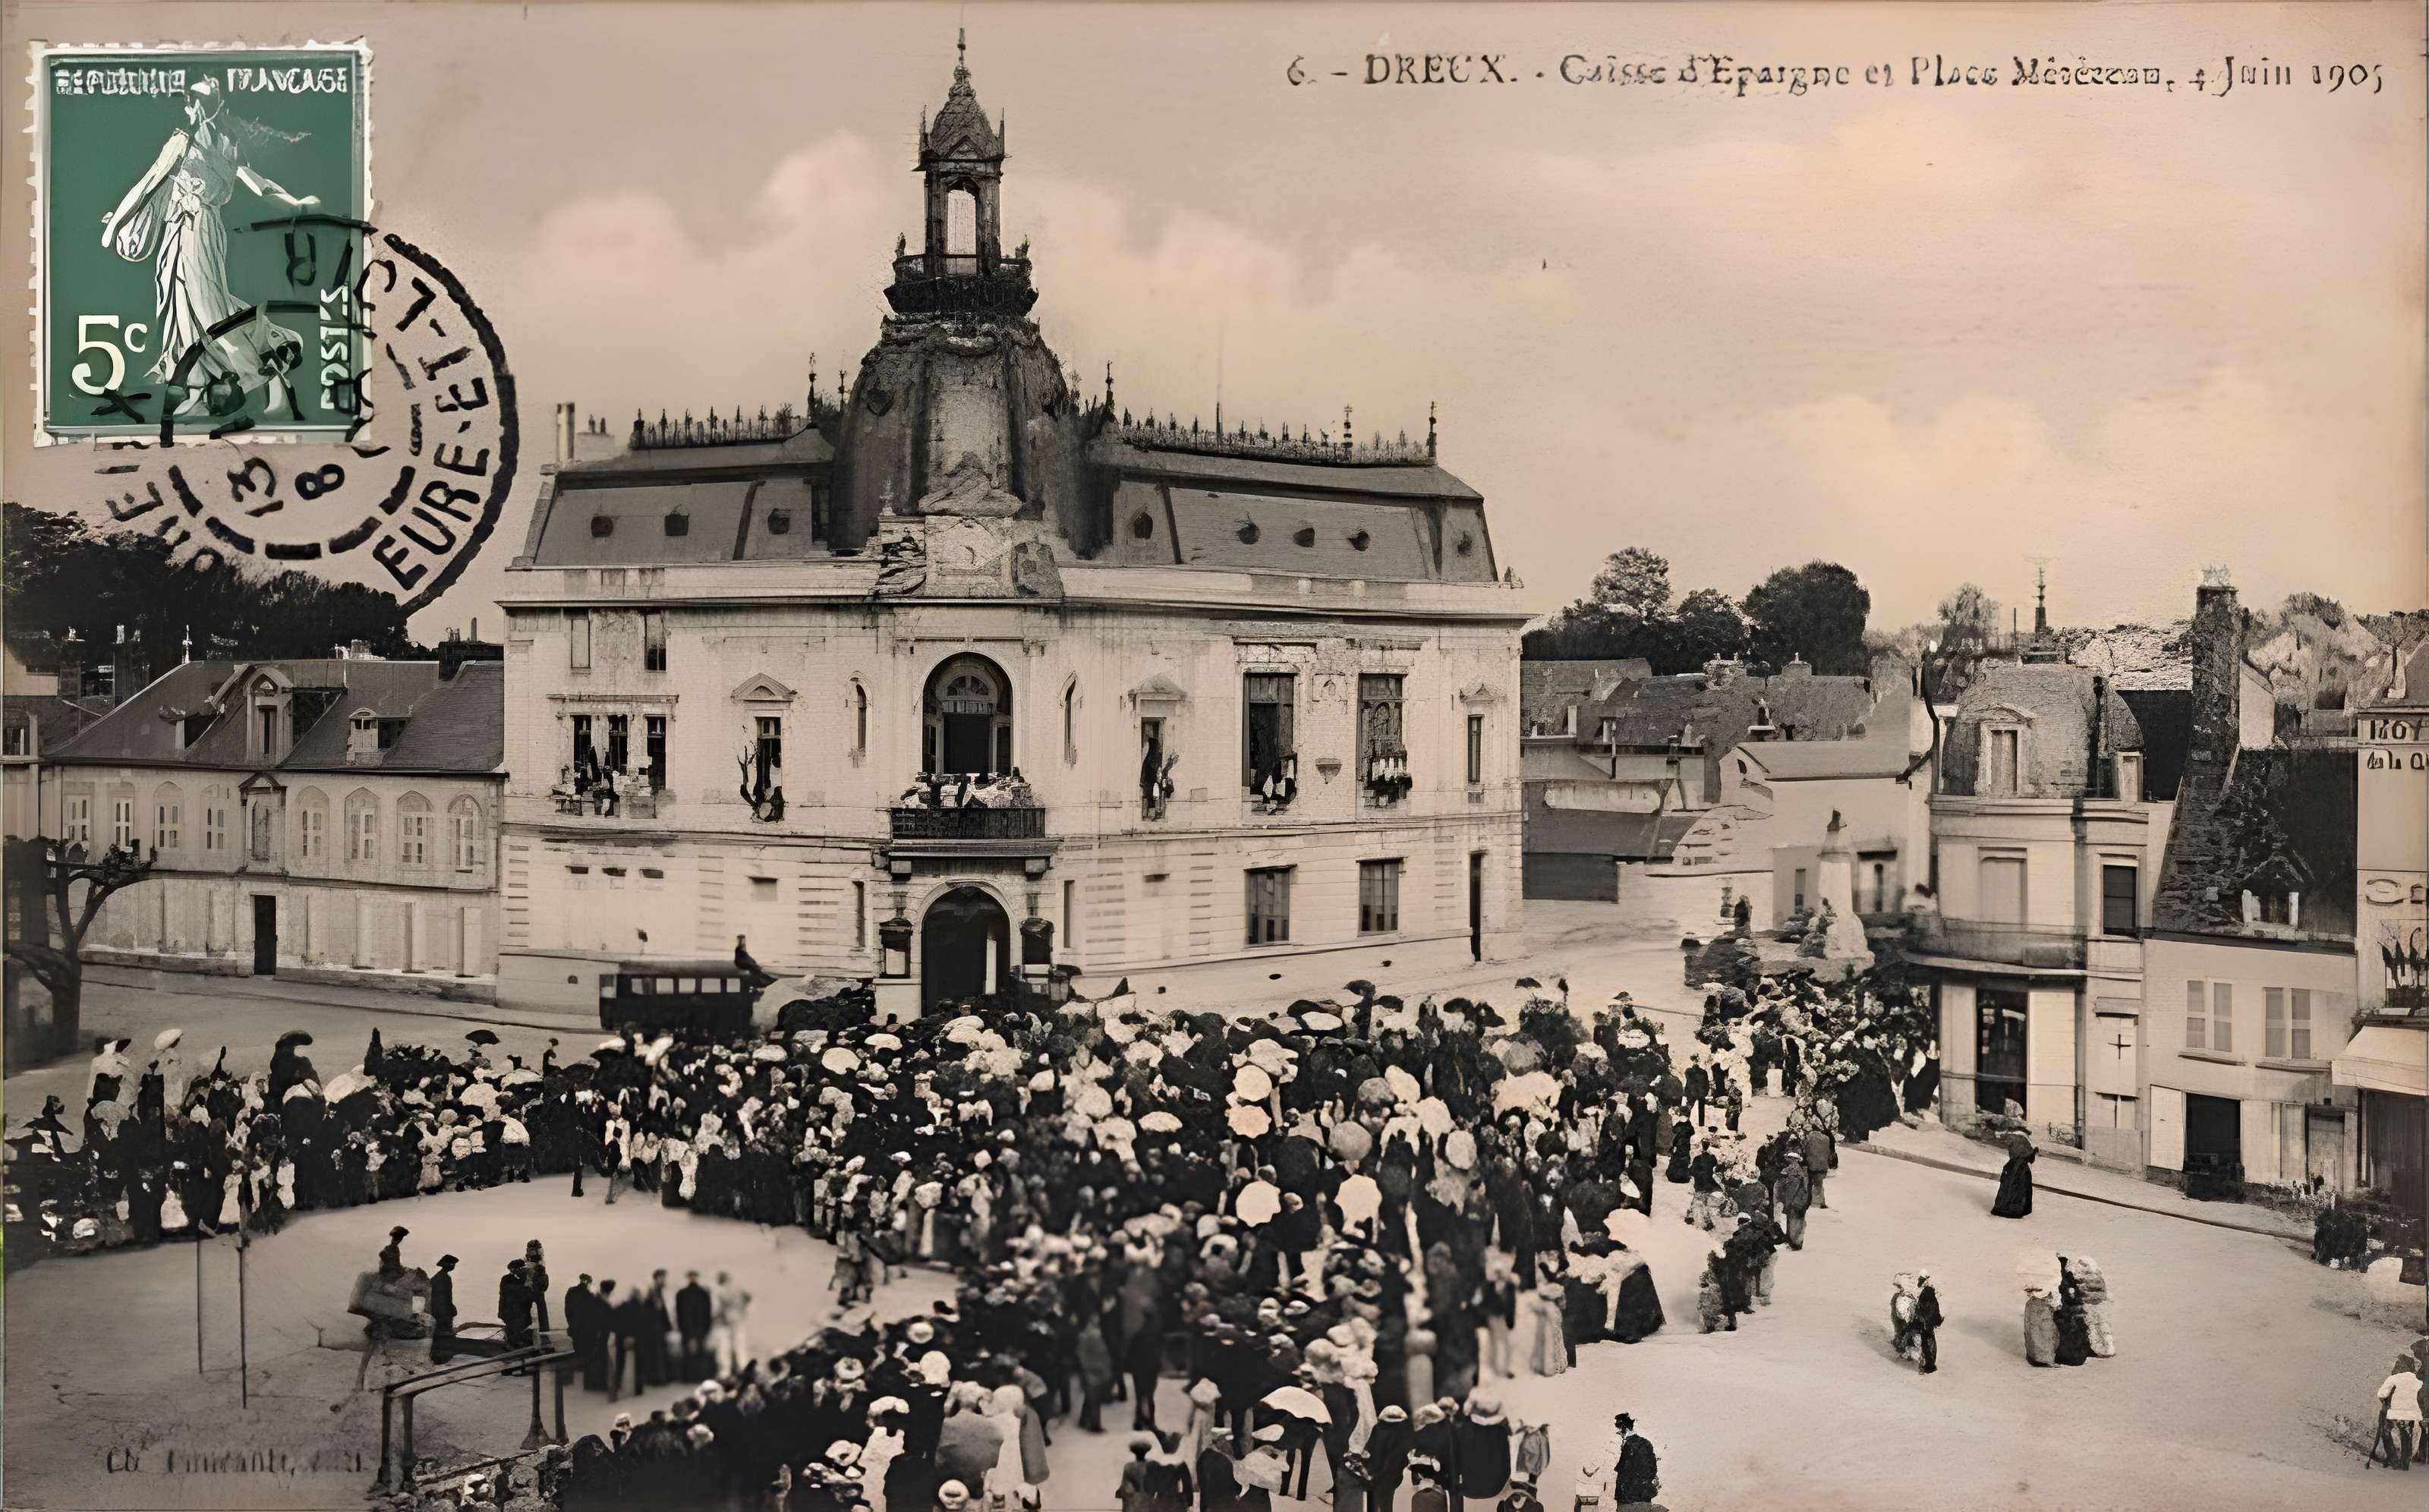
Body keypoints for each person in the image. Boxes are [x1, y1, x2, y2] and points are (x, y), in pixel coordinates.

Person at [2377, 1356, 2425, 1469]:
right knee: (2406, 1436)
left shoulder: (2393, 1378)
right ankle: (2405, 1463)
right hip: (2413, 1414)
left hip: (2396, 1413)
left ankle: (2394, 1461)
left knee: (2387, 1434)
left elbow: (2381, 1394)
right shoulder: (2418, 1381)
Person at [1611, 1417, 1658, 1510]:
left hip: (1627, 1500)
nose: (1620, 1436)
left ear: (1625, 1429)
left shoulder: (1628, 1445)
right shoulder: (1646, 1443)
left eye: (1620, 1433)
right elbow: (1653, 1469)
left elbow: (1623, 1470)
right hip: (1645, 1497)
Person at [676, 1270, 714, 1378]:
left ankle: (691, 1376)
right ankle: (697, 1376)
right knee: (695, 1353)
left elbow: (707, 1312)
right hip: (696, 1327)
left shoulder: (682, 1294)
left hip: (691, 1327)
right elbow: (707, 1313)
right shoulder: (703, 1293)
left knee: (692, 1353)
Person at [499, 1258, 537, 1354]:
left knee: (522, 1327)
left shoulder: (525, 1278)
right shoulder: (506, 1279)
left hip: (522, 1309)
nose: (520, 1270)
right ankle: (511, 1347)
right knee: (512, 1329)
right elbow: (504, 1294)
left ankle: (518, 1346)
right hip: (511, 1309)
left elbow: (529, 1293)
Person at [428, 1253, 459, 1364]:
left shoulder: (441, 1277)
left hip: (441, 1310)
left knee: (442, 1333)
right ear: (445, 1265)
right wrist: (450, 1309)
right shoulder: (442, 1278)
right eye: (451, 1264)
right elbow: (443, 1297)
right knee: (442, 1333)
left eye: (453, 1264)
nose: (453, 1266)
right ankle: (440, 1357)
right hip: (441, 1311)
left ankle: (441, 1356)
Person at [1776, 1151, 1811, 1251]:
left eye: (1792, 1159)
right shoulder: (1798, 1171)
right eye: (1789, 1158)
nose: (1790, 1161)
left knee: (1795, 1222)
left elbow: (1792, 1188)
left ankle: (1794, 1243)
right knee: (1795, 1222)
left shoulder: (1795, 1172)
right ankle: (1793, 1241)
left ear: (1796, 1160)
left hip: (1795, 1201)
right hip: (1798, 1201)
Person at [1992, 1141, 2035, 1219]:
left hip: (2016, 1177)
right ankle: (2011, 1208)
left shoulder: (2016, 1164)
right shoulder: (2017, 1164)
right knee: (2017, 1192)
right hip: (2017, 1175)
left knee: (2015, 1192)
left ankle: (2010, 1209)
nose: (2009, 1153)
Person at [1911, 1273, 1942, 1375]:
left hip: (1927, 1323)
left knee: (1927, 1342)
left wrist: (1925, 1321)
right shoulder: (1927, 1291)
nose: (1919, 1283)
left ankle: (1930, 1366)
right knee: (1928, 1341)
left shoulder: (1928, 1292)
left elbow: (1930, 1309)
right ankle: (1930, 1364)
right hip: (1927, 1322)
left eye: (1921, 1281)